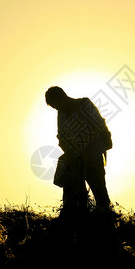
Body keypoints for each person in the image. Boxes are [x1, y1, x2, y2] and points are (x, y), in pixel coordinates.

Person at [45, 86, 112, 218]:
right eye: (54, 107)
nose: (56, 109)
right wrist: (70, 153)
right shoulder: (61, 114)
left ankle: (106, 223)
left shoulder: (84, 104)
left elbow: (101, 125)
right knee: (75, 200)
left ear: (62, 98)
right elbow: (61, 138)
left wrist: (104, 144)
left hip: (93, 158)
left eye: (56, 105)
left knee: (101, 196)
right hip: (76, 163)